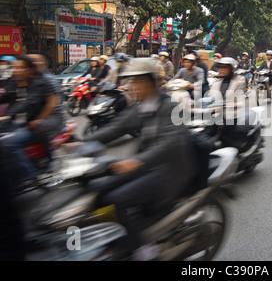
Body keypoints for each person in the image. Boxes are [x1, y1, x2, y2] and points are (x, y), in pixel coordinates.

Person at [71, 57, 199, 260]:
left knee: (116, 200)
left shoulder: (170, 107)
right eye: (129, 81)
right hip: (148, 167)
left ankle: (142, 250)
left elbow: (169, 142)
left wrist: (137, 161)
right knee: (96, 191)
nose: (130, 86)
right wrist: (82, 142)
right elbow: (117, 128)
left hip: (170, 171)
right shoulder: (142, 106)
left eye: (136, 81)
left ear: (150, 81)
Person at [0, 55, 64, 182]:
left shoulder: (40, 82)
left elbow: (29, 103)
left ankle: (28, 177)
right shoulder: (13, 83)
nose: (17, 70)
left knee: (8, 143)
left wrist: (8, 116)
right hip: (20, 121)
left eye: (21, 67)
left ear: (30, 69)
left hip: (39, 122)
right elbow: (5, 97)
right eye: (15, 67)